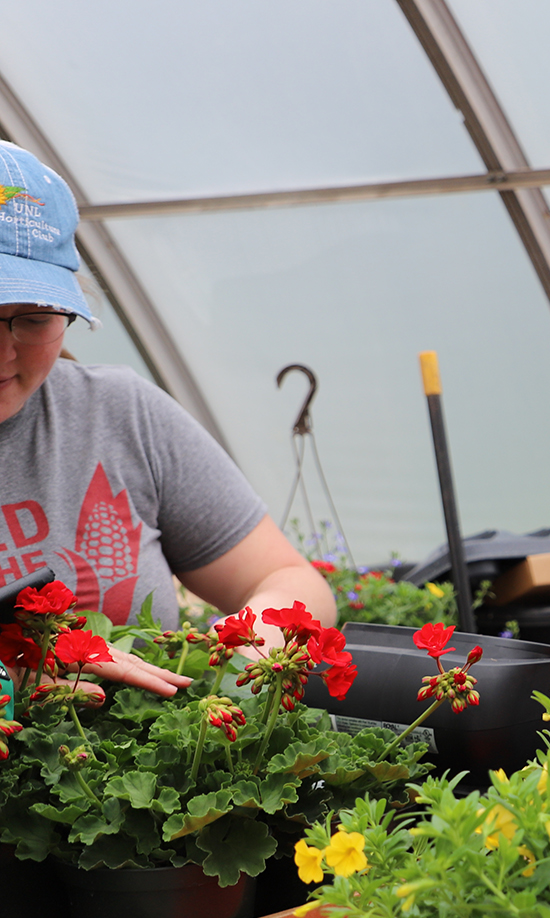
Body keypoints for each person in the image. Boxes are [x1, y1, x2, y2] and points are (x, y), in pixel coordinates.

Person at [0, 139, 333, 695]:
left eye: (33, 318)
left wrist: (248, 642)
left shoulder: (119, 413)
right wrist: (11, 685)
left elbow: (292, 581)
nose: (5, 352)